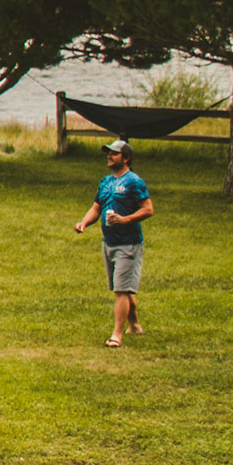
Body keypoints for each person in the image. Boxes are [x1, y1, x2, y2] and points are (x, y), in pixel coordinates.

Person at [71, 138, 153, 348]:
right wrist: (84, 223)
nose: (109, 156)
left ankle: (117, 335)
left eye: (114, 153)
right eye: (108, 152)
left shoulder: (134, 181)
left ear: (126, 158)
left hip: (129, 244)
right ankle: (134, 324)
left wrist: (125, 220)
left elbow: (148, 209)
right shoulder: (106, 182)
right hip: (109, 242)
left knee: (121, 291)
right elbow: (96, 208)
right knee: (122, 288)